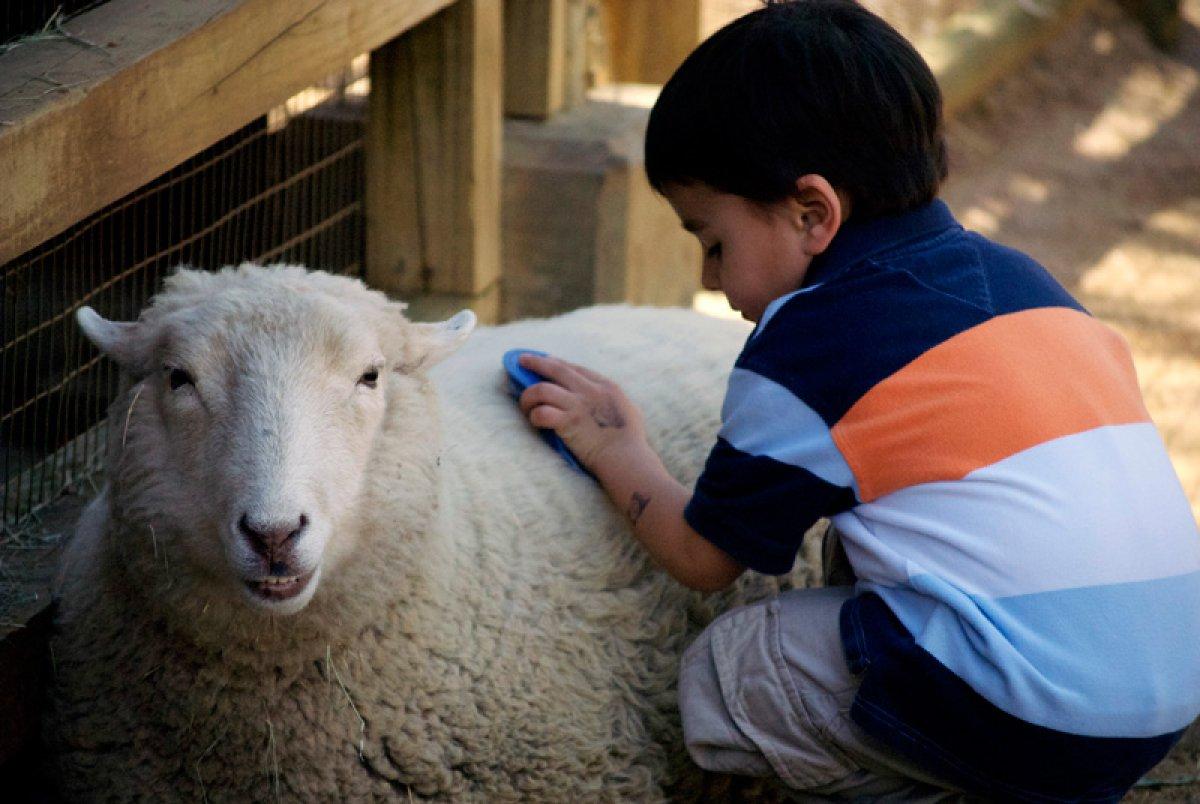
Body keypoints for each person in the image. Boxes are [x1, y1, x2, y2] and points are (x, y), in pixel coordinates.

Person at [516, 0, 1200, 799]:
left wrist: (614, 446)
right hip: (1160, 700)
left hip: (1035, 714)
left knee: (731, 667)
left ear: (812, 214)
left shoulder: (812, 348)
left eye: (712, 242)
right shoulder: (1024, 282)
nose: (710, 279)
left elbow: (704, 558)